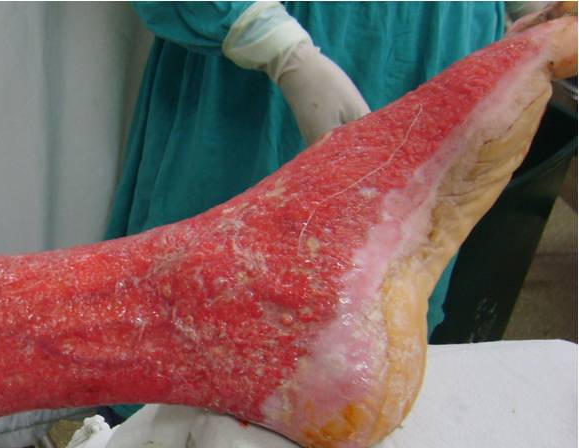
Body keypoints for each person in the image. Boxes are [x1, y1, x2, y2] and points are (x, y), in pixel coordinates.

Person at [104, 1, 511, 423]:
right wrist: (278, 46)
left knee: (369, 348)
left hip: (443, 43)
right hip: (266, 77)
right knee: (207, 324)